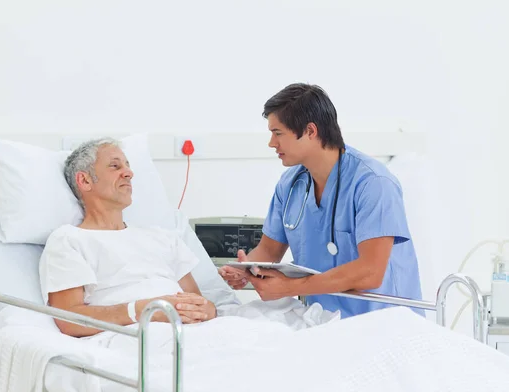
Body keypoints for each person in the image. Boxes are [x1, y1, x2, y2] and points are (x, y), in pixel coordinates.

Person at [219, 83, 423, 318]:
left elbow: (370, 272)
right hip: (323, 321)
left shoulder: (373, 184)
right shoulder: (290, 185)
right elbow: (268, 250)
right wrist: (244, 269)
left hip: (384, 321)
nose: (272, 143)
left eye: (278, 133)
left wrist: (291, 287)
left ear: (310, 131)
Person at [39, 138, 217, 338]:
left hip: (196, 332)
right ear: (85, 181)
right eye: (115, 166)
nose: (129, 173)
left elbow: (198, 303)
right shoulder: (69, 240)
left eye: (128, 166)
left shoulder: (162, 237)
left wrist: (208, 309)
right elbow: (69, 319)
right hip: (136, 338)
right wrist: (143, 310)